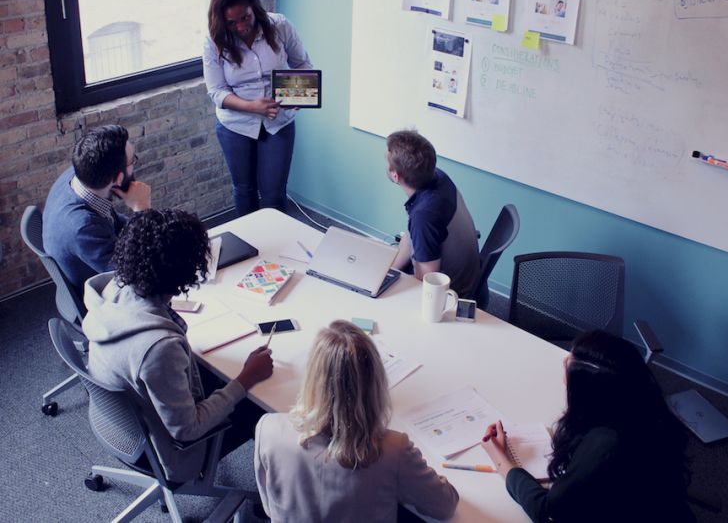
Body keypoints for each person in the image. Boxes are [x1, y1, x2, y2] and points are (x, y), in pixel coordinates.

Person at [82, 209, 274, 482]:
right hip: (168, 453)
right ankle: (272, 499)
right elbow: (188, 429)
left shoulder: (112, 289)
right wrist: (246, 379)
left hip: (118, 422)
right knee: (264, 405)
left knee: (217, 369)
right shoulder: (159, 349)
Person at [481, 330, 695, 523]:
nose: (565, 361)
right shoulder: (645, 409)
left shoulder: (605, 445)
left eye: (568, 373)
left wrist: (502, 461)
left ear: (589, 396)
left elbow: (548, 512)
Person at [254, 320, 458, 521]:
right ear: (375, 384)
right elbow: (444, 507)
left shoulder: (268, 429)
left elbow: (270, 507)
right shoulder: (393, 450)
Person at [203, 0, 313, 216]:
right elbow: (216, 91)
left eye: (245, 17)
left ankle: (278, 248)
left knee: (274, 194)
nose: (241, 27)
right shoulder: (213, 42)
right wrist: (252, 107)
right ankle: (248, 248)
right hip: (235, 126)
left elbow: (302, 63)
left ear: (254, 7)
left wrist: (299, 96)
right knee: (244, 190)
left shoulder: (279, 25)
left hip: (278, 123)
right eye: (232, 23)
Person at [43, 124, 151, 295]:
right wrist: (142, 209)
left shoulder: (79, 174)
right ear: (118, 178)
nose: (134, 165)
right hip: (104, 296)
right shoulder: (84, 228)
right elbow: (135, 276)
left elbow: (114, 222)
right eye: (133, 161)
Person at [386, 130, 480, 299]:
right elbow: (411, 236)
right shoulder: (438, 177)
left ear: (395, 176)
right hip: (462, 275)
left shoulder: (424, 216)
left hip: (449, 293)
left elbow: (427, 284)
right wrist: (389, 271)